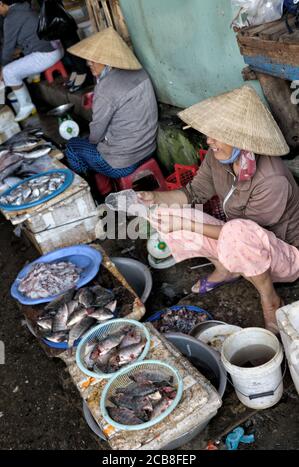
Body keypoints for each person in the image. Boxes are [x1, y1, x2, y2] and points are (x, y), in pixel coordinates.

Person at [138, 85, 299, 333]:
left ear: (242, 139)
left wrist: (186, 225)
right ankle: (225, 269)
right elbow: (193, 193)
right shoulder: (218, 158)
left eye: (216, 135)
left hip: (282, 257)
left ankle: (270, 299)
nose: (208, 140)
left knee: (233, 232)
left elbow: (248, 235)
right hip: (238, 241)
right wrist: (154, 198)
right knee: (168, 213)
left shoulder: (271, 179)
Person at [65, 27, 158, 178]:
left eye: (95, 59)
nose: (89, 63)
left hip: (122, 164)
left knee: (72, 146)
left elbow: (96, 133)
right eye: (89, 58)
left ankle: (94, 189)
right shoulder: (140, 71)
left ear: (110, 60)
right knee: (88, 141)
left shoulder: (106, 88)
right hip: (149, 149)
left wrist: (91, 142)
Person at [0, 0, 63, 121]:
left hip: (47, 54)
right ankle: (32, 78)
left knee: (8, 71)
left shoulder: (10, 19)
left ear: (1, 3)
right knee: (15, 59)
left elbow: (8, 48)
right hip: (56, 47)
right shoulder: (23, 8)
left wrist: (2, 69)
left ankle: (26, 105)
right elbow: (29, 35)